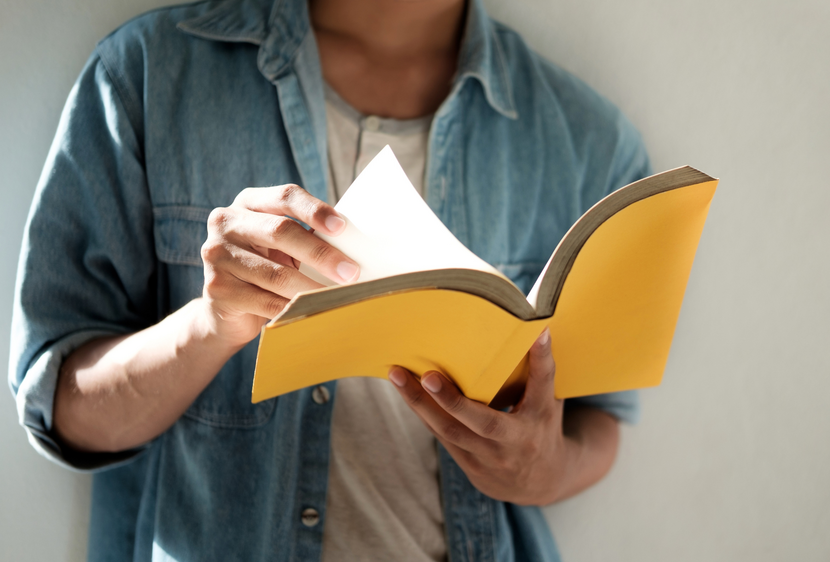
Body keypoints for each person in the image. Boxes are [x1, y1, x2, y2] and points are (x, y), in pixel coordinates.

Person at [8, 0, 648, 559]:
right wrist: (208, 326)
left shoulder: (589, 144)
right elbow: (59, 408)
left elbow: (601, 419)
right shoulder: (145, 75)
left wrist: (540, 472)